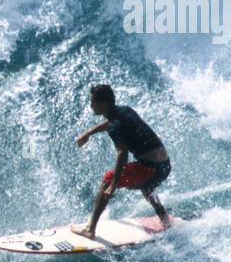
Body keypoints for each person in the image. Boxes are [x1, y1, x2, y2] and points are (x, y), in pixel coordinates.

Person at [71, 84, 172, 239]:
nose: (90, 105)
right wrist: (89, 133)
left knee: (107, 179)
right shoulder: (125, 110)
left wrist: (112, 185)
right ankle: (165, 220)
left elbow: (122, 154)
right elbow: (110, 122)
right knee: (146, 186)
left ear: (103, 104)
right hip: (164, 165)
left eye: (93, 102)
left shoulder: (114, 126)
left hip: (150, 168)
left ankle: (90, 229)